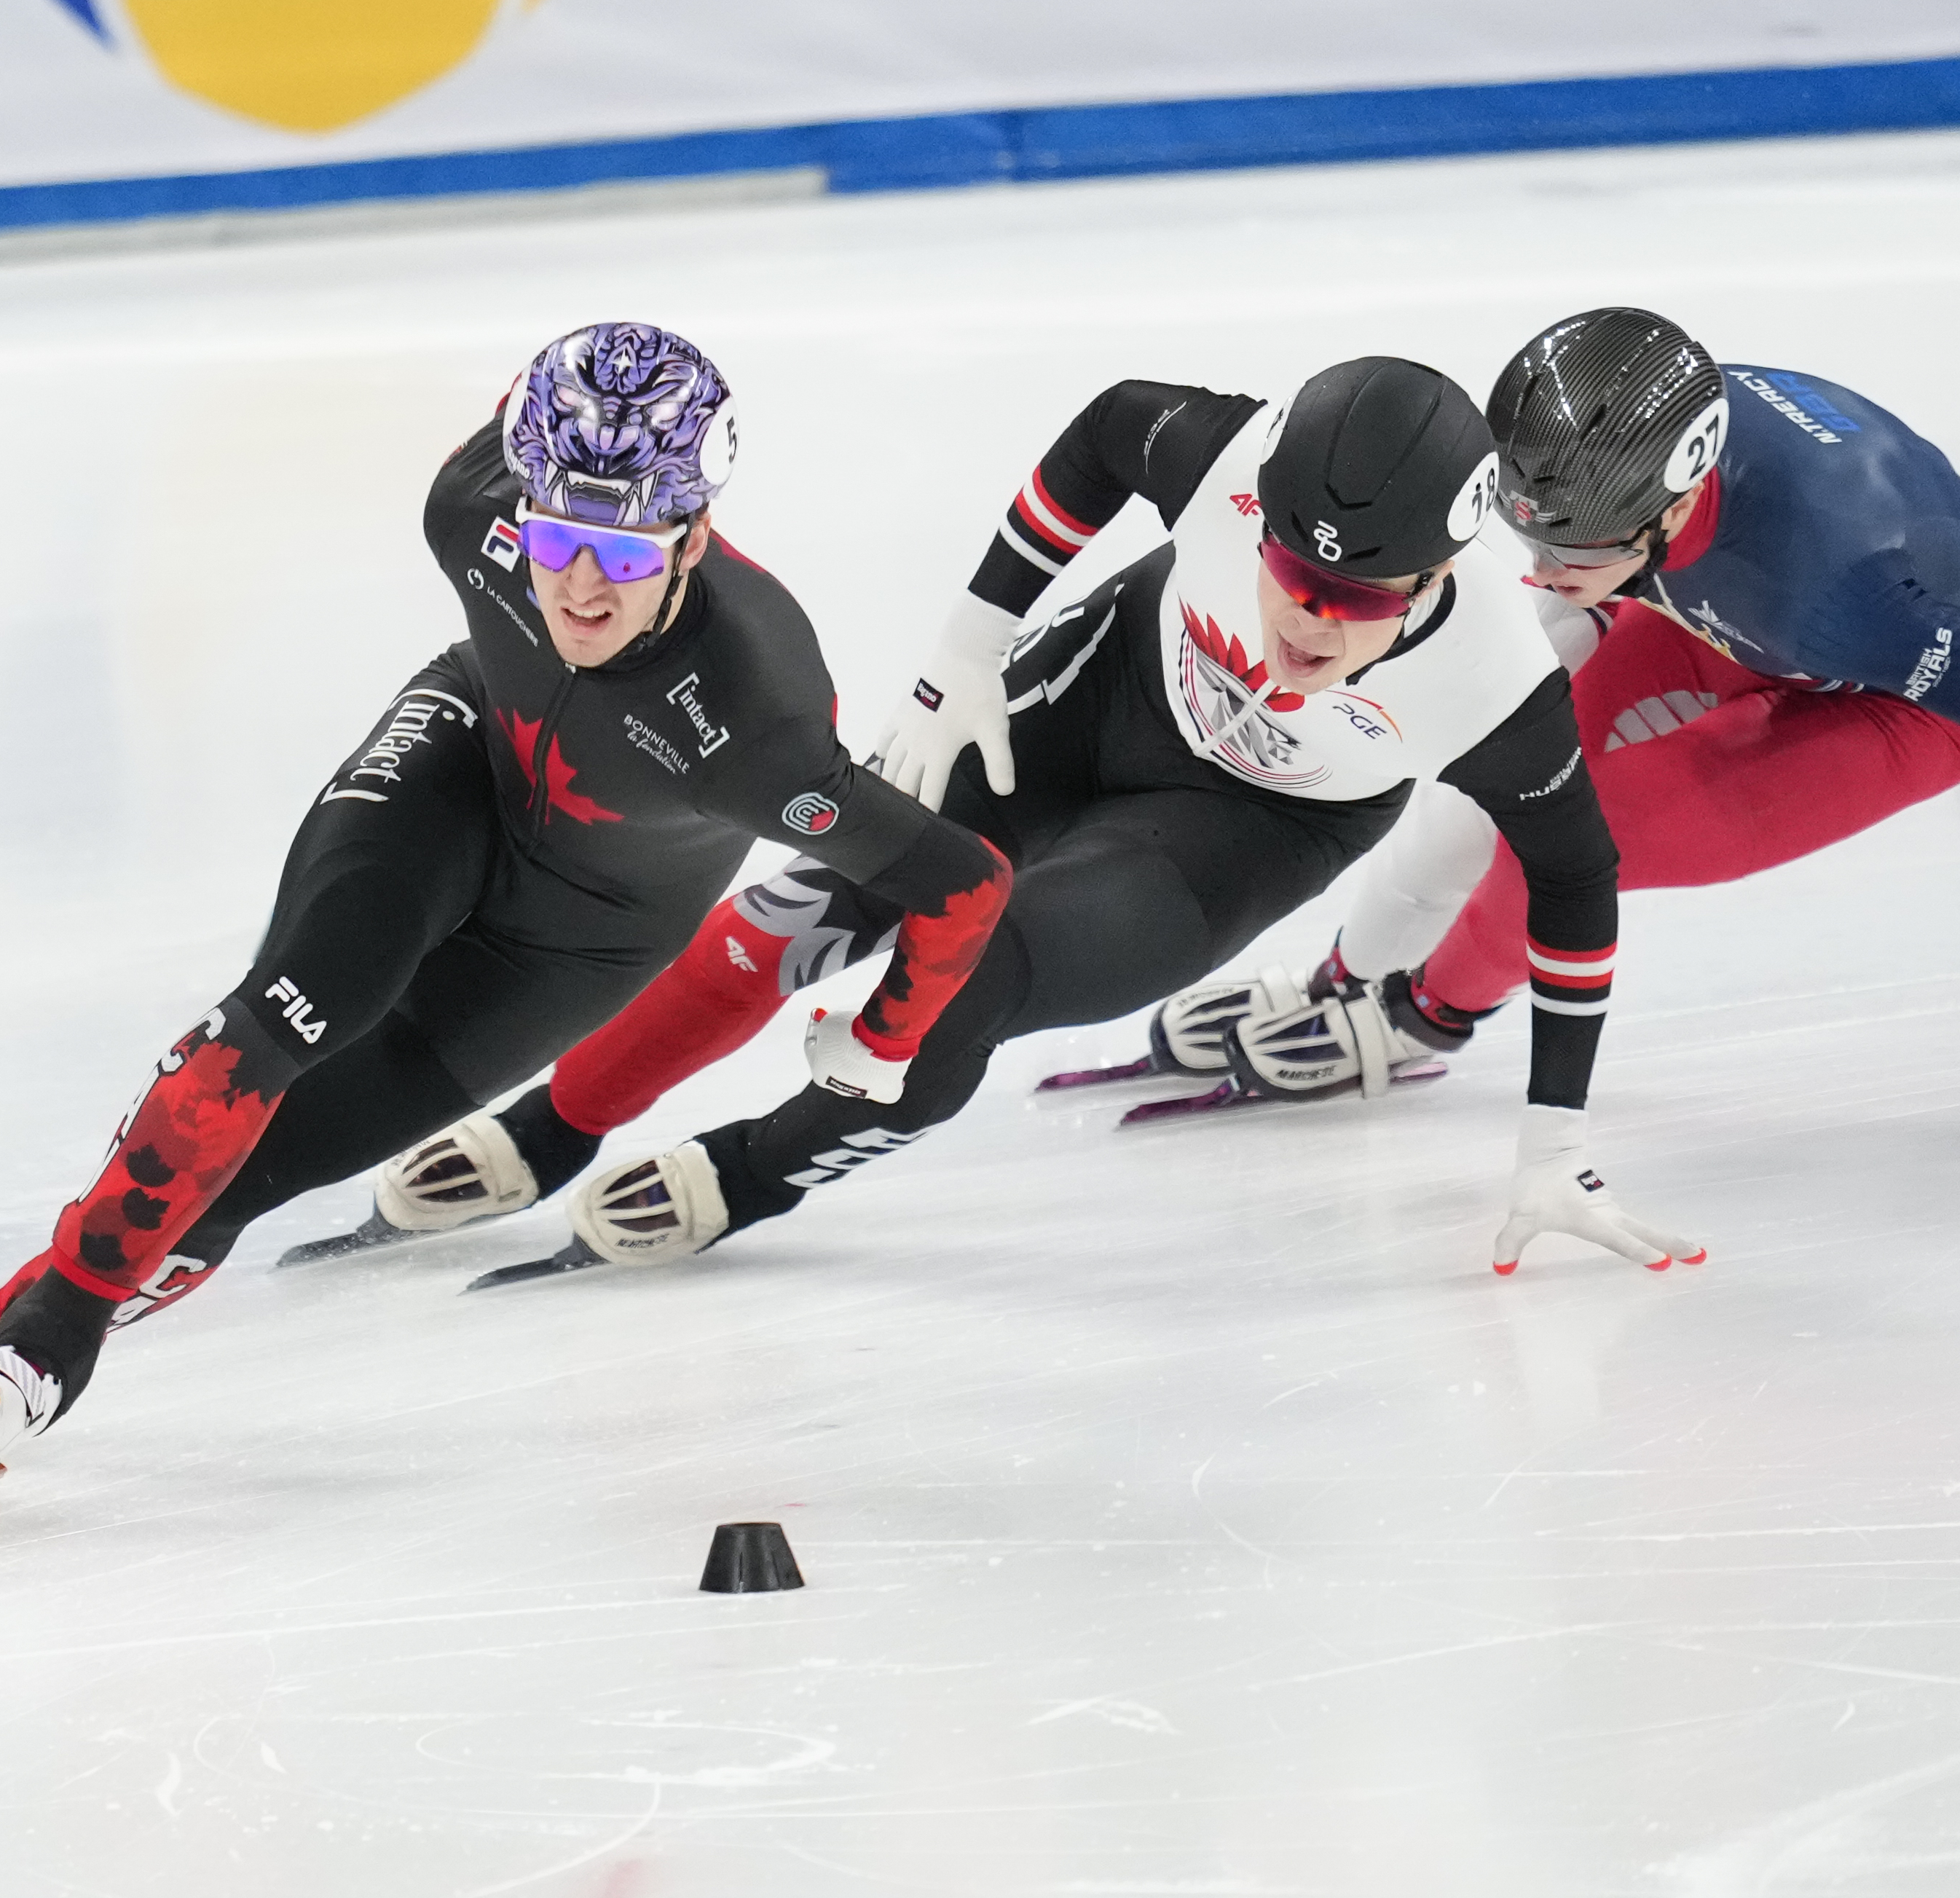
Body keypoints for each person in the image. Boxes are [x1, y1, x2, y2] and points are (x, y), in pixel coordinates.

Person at [0, 322, 1012, 1513]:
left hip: (578, 939)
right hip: (455, 770)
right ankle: (49, 1350)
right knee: (265, 1032)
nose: (579, 590)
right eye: (555, 542)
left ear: (691, 535)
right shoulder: (474, 506)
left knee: (253, 1175)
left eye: (618, 556)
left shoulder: (756, 722)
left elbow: (960, 882)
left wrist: (884, 1040)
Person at [313, 355, 1701, 1285]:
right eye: (1288, 574)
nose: (1301, 625)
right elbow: (1106, 434)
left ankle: (753, 1171)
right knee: (807, 902)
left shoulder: (1497, 688)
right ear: (1260, 511)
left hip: (1246, 836)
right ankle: (561, 1123)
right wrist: (970, 643)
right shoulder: (1223, 451)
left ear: (1445, 573)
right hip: (1096, 692)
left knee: (971, 974)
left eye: (1357, 606)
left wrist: (1548, 1141)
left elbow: (1576, 882)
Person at [1154, 307, 1960, 1152]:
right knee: (1491, 782)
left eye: (1565, 548)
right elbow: (1571, 582)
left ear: (1666, 513)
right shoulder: (1623, 441)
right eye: (1521, 529)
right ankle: (1345, 983)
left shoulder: (1844, 589)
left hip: (1896, 693)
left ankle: (1414, 1023)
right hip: (1723, 607)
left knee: (1580, 839)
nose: (1533, 567)